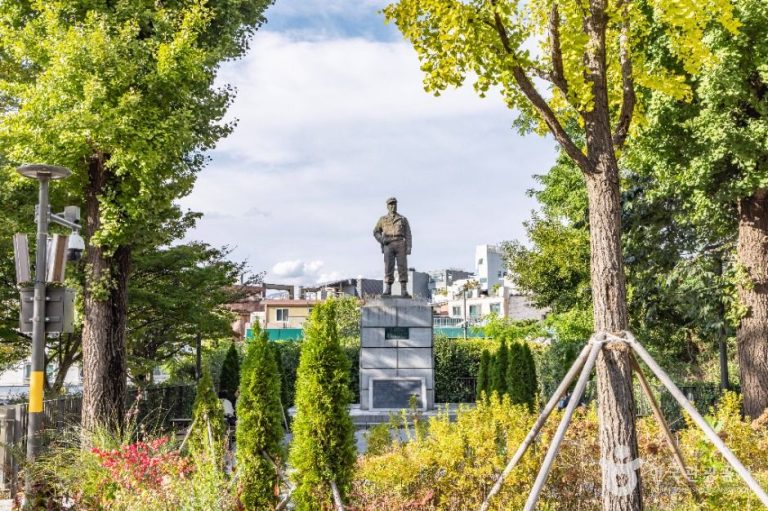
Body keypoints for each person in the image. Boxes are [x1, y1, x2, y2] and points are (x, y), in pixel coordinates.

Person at [373, 197, 412, 296]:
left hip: (400, 243)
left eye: (394, 204)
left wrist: (409, 247)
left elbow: (408, 234)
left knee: (402, 266)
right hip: (388, 244)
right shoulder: (382, 219)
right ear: (387, 206)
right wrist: (382, 240)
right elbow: (376, 232)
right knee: (388, 266)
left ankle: (404, 289)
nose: (393, 206)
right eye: (390, 204)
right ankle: (388, 288)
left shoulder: (403, 219)